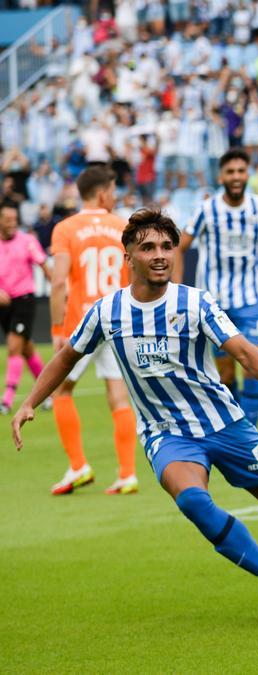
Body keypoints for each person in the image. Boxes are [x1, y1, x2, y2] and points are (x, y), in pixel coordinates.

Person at [11, 209, 258, 612]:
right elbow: (64, 358)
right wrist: (29, 402)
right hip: (167, 433)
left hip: (224, 423)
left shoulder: (194, 302)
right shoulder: (106, 312)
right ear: (127, 256)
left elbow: (243, 351)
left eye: (166, 246)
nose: (160, 254)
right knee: (193, 501)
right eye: (148, 247)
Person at [176, 148, 258, 426]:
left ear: (248, 175)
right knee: (225, 373)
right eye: (230, 172)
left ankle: (250, 432)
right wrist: (178, 288)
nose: (236, 177)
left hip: (251, 300)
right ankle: (234, 426)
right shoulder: (207, 210)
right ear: (221, 176)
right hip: (214, 304)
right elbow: (179, 249)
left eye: (241, 171)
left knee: (253, 367)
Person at [46, 166, 139, 496]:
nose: (114, 197)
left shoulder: (66, 228)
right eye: (113, 191)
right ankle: (127, 474)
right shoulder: (124, 227)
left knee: (61, 391)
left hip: (82, 322)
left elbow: (58, 281)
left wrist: (57, 326)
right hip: (117, 319)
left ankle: (78, 466)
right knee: (117, 395)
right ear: (102, 194)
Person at [0, 203, 50, 414]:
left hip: (24, 299)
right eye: (8, 219)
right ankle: (49, 391)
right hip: (4, 303)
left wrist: (60, 291)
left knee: (13, 345)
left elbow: (44, 266)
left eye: (14, 219)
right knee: (26, 348)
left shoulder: (27, 241)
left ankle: (7, 399)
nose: (12, 223)